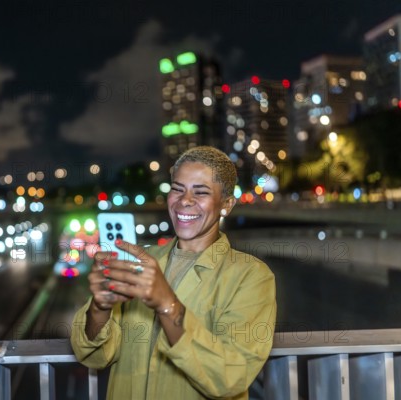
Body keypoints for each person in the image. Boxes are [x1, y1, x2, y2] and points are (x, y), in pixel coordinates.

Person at [70, 146, 277, 400]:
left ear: (226, 204)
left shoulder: (251, 276)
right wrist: (100, 307)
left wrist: (167, 303)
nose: (185, 200)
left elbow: (230, 377)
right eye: (177, 189)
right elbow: (93, 354)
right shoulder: (139, 261)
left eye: (200, 192)